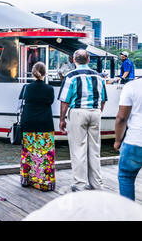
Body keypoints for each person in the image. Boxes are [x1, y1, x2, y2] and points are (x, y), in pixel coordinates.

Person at [58, 49, 108, 192]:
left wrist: (62, 119)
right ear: (88, 60)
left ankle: (79, 184)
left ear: (74, 60)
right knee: (95, 149)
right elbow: (103, 99)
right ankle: (96, 184)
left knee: (78, 149)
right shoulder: (99, 77)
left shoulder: (70, 76)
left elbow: (64, 101)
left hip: (78, 112)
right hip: (95, 112)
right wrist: (98, 112)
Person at [19, 62, 56, 191]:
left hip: (29, 122)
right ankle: (44, 181)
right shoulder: (49, 89)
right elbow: (49, 102)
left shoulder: (27, 88)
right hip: (44, 123)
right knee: (45, 154)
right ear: (45, 73)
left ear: (33, 73)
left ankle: (27, 179)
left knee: (28, 152)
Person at [114, 77, 142, 201]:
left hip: (135, 139)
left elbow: (121, 118)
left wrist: (118, 140)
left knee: (126, 177)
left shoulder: (132, 86)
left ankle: (129, 214)